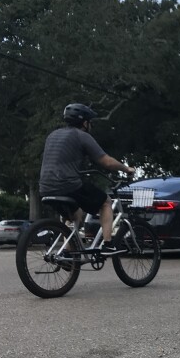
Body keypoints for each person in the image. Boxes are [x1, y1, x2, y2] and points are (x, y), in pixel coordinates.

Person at [39, 103, 135, 255]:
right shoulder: (82, 136)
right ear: (85, 123)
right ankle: (108, 244)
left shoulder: (53, 135)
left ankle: (68, 254)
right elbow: (107, 162)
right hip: (67, 185)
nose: (91, 126)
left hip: (45, 187)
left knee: (74, 216)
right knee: (105, 202)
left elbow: (61, 160)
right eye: (91, 122)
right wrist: (127, 169)